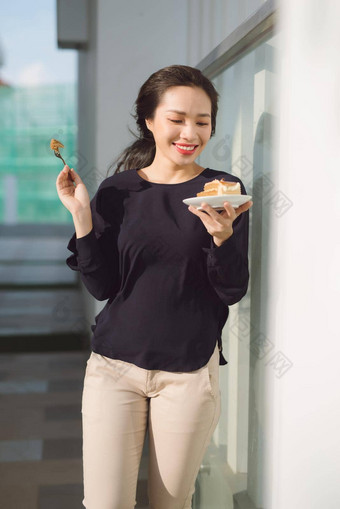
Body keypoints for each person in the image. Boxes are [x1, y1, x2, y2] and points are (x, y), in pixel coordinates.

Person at [56, 64, 253, 509]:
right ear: (149, 120)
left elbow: (232, 290)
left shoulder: (222, 192)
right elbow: (102, 286)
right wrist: (82, 216)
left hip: (187, 375)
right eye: (177, 119)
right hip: (113, 369)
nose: (190, 132)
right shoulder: (117, 190)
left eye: (202, 122)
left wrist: (222, 236)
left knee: (170, 503)